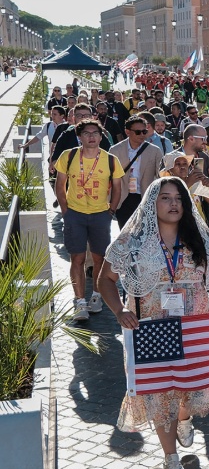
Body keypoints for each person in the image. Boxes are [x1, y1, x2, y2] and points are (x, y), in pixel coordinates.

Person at [97, 177, 209, 469]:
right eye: (165, 197)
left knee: (191, 390)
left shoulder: (197, 237)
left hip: (194, 328)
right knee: (161, 396)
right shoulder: (132, 241)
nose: (173, 203)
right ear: (152, 203)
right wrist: (119, 311)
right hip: (152, 329)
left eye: (178, 198)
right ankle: (170, 458)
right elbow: (105, 279)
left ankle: (184, 417)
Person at [55, 119, 124, 320]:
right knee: (76, 258)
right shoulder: (68, 156)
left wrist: (111, 210)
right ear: (80, 137)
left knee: (99, 258)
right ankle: (79, 301)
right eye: (86, 133)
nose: (91, 137)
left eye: (95, 133)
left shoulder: (111, 160)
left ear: (101, 137)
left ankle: (96, 296)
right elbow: (60, 185)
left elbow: (117, 188)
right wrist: (66, 211)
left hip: (100, 214)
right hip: (74, 213)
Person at [109, 116, 162, 228]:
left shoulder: (155, 151)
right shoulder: (115, 150)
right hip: (123, 198)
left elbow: (160, 175)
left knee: (143, 232)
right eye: (138, 132)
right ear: (127, 132)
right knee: (125, 232)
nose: (142, 135)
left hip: (144, 197)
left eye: (144, 131)